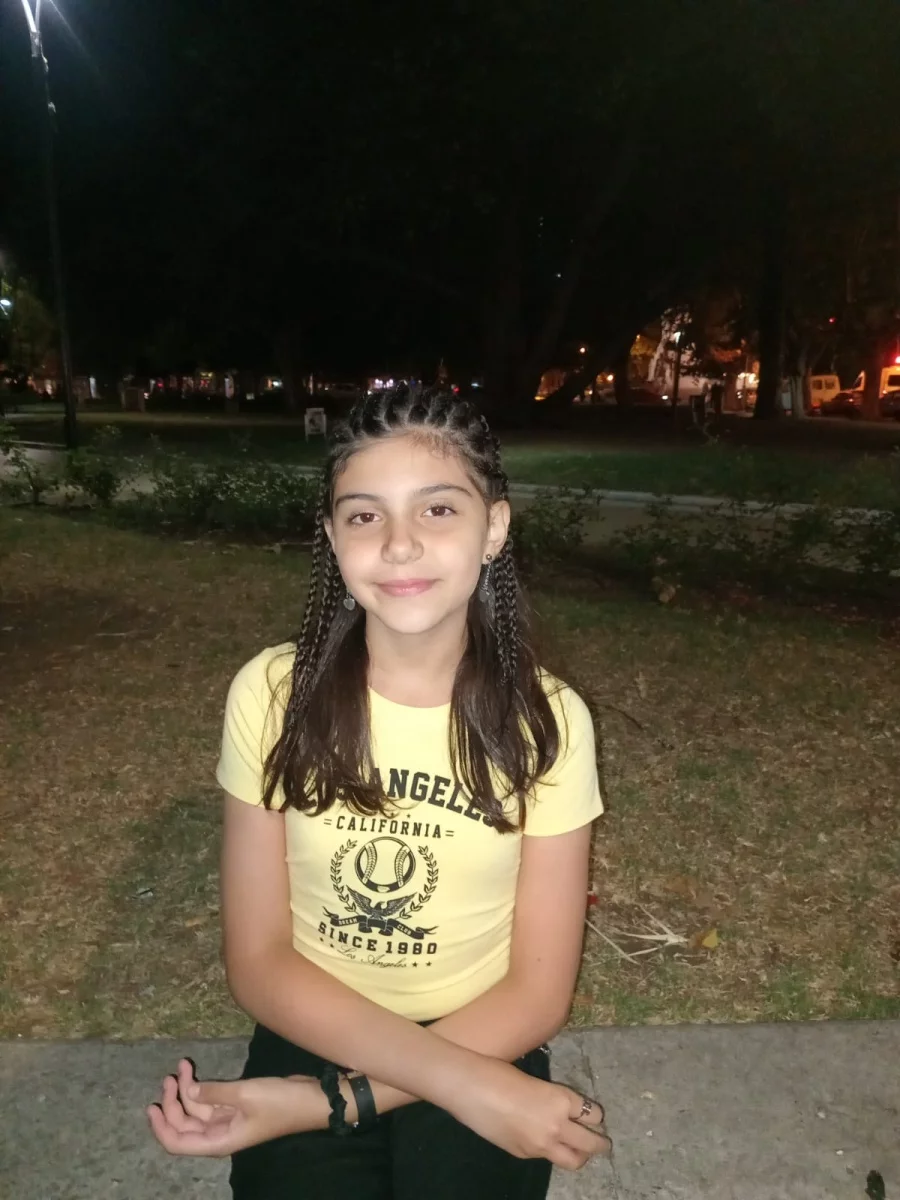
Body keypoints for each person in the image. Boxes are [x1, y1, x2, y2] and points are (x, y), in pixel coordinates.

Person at [147, 386, 610, 1199]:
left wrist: (323, 1103)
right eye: (364, 516)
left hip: (484, 1029)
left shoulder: (549, 721)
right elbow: (258, 960)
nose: (399, 545)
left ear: (494, 528)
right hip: (314, 1019)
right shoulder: (273, 695)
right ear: (332, 538)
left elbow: (537, 993)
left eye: (438, 509)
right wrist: (456, 1085)